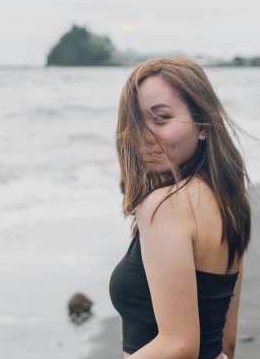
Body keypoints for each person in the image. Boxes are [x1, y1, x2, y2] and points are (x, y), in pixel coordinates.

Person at [108, 56, 252, 359]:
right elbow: (227, 342)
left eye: (161, 118)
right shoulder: (229, 203)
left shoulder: (165, 206)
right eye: (135, 123)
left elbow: (179, 345)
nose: (144, 136)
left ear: (203, 124)